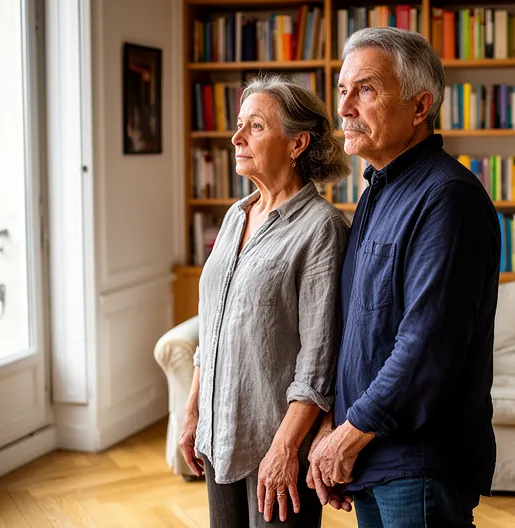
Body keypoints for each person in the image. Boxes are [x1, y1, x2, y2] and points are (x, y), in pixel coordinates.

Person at [306, 27, 502, 527]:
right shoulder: (375, 191)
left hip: (418, 464)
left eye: (366, 90)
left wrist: (348, 435)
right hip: (373, 455)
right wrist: (334, 427)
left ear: (420, 108)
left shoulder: (447, 197)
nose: (345, 107)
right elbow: (360, 332)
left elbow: (426, 347)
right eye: (343, 90)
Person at [178, 74, 350, 527]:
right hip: (218, 437)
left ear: (297, 144)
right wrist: (193, 409)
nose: (236, 138)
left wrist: (285, 449)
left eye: (255, 126)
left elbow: (318, 362)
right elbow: (209, 322)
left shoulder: (321, 228)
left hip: (275, 446)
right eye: (239, 124)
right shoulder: (236, 215)